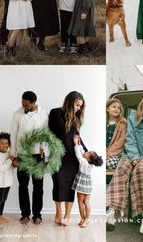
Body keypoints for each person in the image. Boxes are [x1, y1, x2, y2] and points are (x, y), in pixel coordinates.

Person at [106, 92, 143, 234]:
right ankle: (111, 211)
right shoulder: (132, 118)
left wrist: (140, 159)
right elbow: (129, 140)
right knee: (121, 170)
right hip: (130, 153)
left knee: (140, 171)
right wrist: (134, 157)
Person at [48, 91, 88, 226]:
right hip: (57, 155)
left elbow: (77, 137)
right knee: (58, 184)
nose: (79, 108)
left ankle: (67, 216)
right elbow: (50, 134)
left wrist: (87, 153)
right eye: (77, 105)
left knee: (71, 186)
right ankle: (58, 212)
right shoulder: (54, 113)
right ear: (70, 102)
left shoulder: (76, 119)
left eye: (81, 106)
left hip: (72, 157)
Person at [10, 91, 48, 225]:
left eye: (26, 105)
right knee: (23, 185)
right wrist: (13, 156)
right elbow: (13, 135)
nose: (24, 107)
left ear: (33, 103)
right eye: (22, 103)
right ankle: (25, 214)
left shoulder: (43, 113)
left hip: (39, 154)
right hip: (22, 154)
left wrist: (46, 157)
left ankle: (37, 215)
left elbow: (46, 134)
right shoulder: (17, 114)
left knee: (38, 186)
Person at [72, 135, 103, 228]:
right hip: (88, 183)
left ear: (88, 158)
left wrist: (76, 144)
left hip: (81, 182)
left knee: (80, 202)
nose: (86, 152)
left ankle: (83, 219)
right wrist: (79, 143)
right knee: (86, 202)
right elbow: (82, 153)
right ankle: (87, 219)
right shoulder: (89, 163)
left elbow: (78, 154)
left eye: (88, 152)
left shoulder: (83, 162)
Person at [0, 132, 14, 224]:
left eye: (6, 143)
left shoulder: (9, 153)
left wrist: (14, 164)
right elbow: (1, 168)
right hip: (1, 182)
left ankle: (1, 215)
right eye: (2, 143)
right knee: (0, 199)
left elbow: (11, 167)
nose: (5, 145)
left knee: (4, 199)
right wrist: (10, 160)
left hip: (8, 181)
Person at [106, 98, 127, 169]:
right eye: (114, 107)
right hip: (103, 151)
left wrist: (108, 153)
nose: (116, 109)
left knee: (108, 164)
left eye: (119, 108)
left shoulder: (122, 124)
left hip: (116, 152)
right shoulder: (103, 122)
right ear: (107, 109)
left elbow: (121, 140)